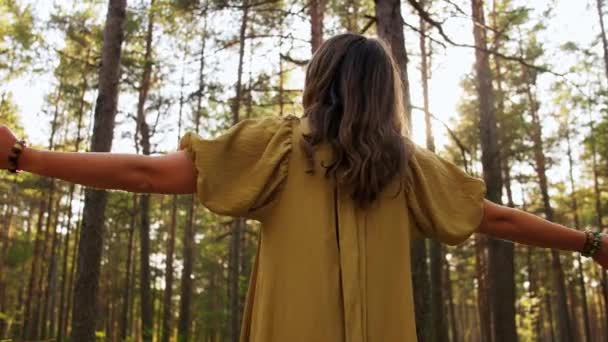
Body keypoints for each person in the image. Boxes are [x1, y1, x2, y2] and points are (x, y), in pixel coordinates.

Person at [0, 33, 606, 341]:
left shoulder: (277, 147)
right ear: (384, 93)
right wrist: (589, 244)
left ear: (320, 81)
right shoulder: (409, 166)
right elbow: (497, 219)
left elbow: (147, 172)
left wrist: (23, 156)